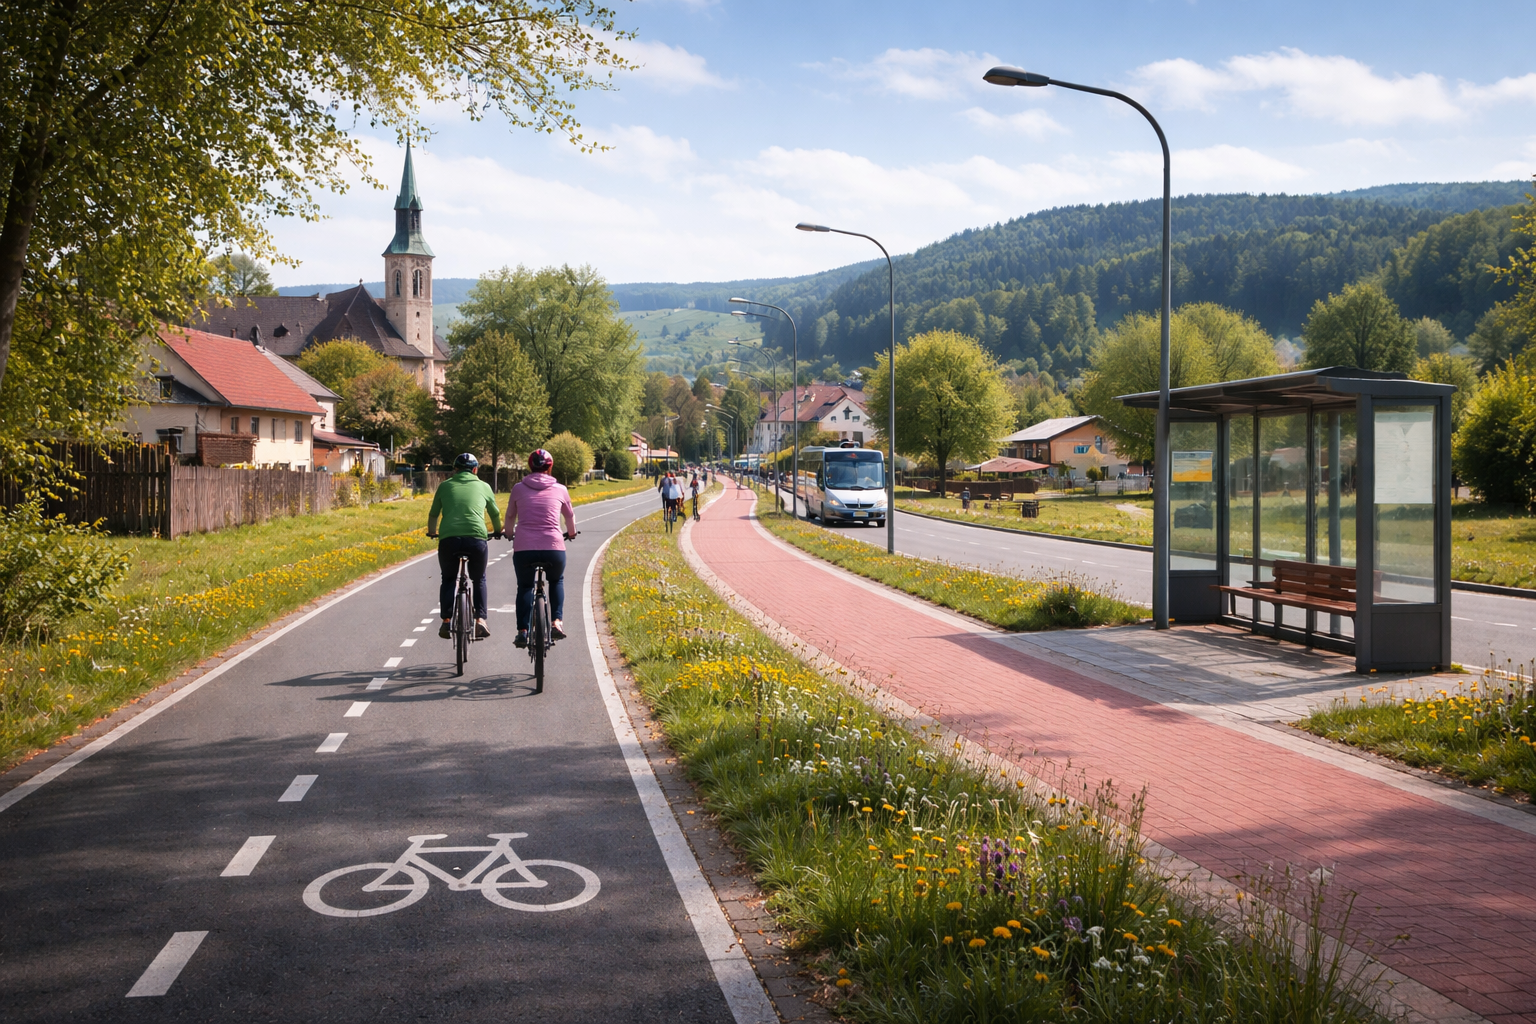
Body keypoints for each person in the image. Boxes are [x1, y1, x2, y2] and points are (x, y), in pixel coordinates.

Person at [506, 448, 577, 648]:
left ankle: (522, 631)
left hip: (524, 548)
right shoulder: (561, 489)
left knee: (525, 587)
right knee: (556, 580)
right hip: (553, 547)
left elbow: (510, 516)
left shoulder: (518, 488)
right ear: (550, 467)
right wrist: (571, 533)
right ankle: (556, 622)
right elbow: (569, 516)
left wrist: (509, 533)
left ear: (530, 466)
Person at [427, 453, 501, 640]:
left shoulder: (445, 486)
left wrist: (432, 532)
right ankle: (480, 620)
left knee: (448, 579)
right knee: (479, 579)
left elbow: (434, 513)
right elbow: (494, 512)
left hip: (449, 540)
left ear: (456, 469)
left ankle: (446, 620)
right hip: (476, 539)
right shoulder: (484, 486)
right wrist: (498, 531)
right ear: (475, 470)